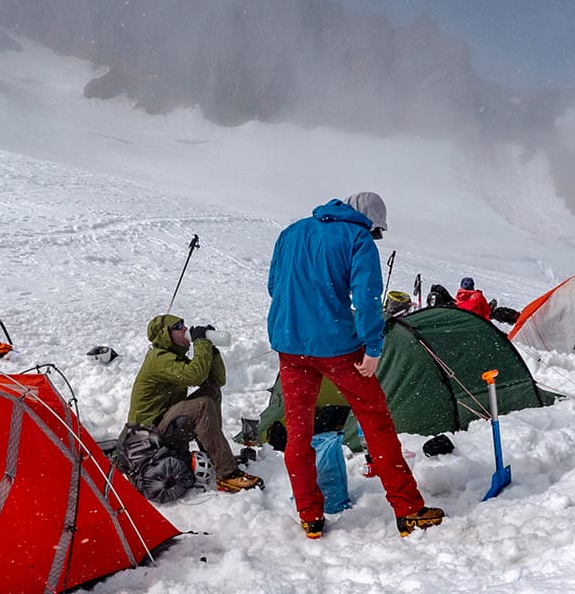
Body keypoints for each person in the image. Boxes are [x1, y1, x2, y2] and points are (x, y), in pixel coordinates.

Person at [268, 192, 442, 539]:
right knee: (375, 422)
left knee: (299, 430)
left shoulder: (292, 231)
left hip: (289, 344)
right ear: (368, 220)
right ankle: (408, 510)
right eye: (376, 230)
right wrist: (373, 347)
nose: (374, 236)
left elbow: (275, 286)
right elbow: (366, 298)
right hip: (337, 348)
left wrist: (301, 318)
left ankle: (310, 517)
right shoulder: (357, 238)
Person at [127, 315, 262, 492]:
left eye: (183, 324)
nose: (185, 328)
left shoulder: (174, 357)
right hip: (147, 437)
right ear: (165, 334)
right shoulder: (158, 358)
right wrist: (201, 342)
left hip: (162, 426)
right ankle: (228, 473)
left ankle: (217, 457)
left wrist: (211, 349)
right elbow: (195, 376)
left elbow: (217, 380)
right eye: (178, 326)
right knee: (202, 405)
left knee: (212, 391)